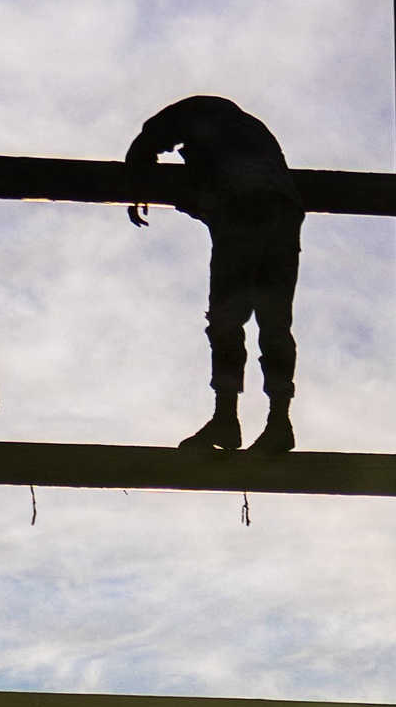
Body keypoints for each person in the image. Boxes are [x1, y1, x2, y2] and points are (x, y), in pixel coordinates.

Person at [125, 95, 305, 453]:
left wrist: (136, 187)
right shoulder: (253, 135)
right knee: (274, 324)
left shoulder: (202, 118)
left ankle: (226, 420)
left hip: (243, 214)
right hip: (283, 218)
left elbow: (147, 145)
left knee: (226, 320)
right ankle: (279, 423)